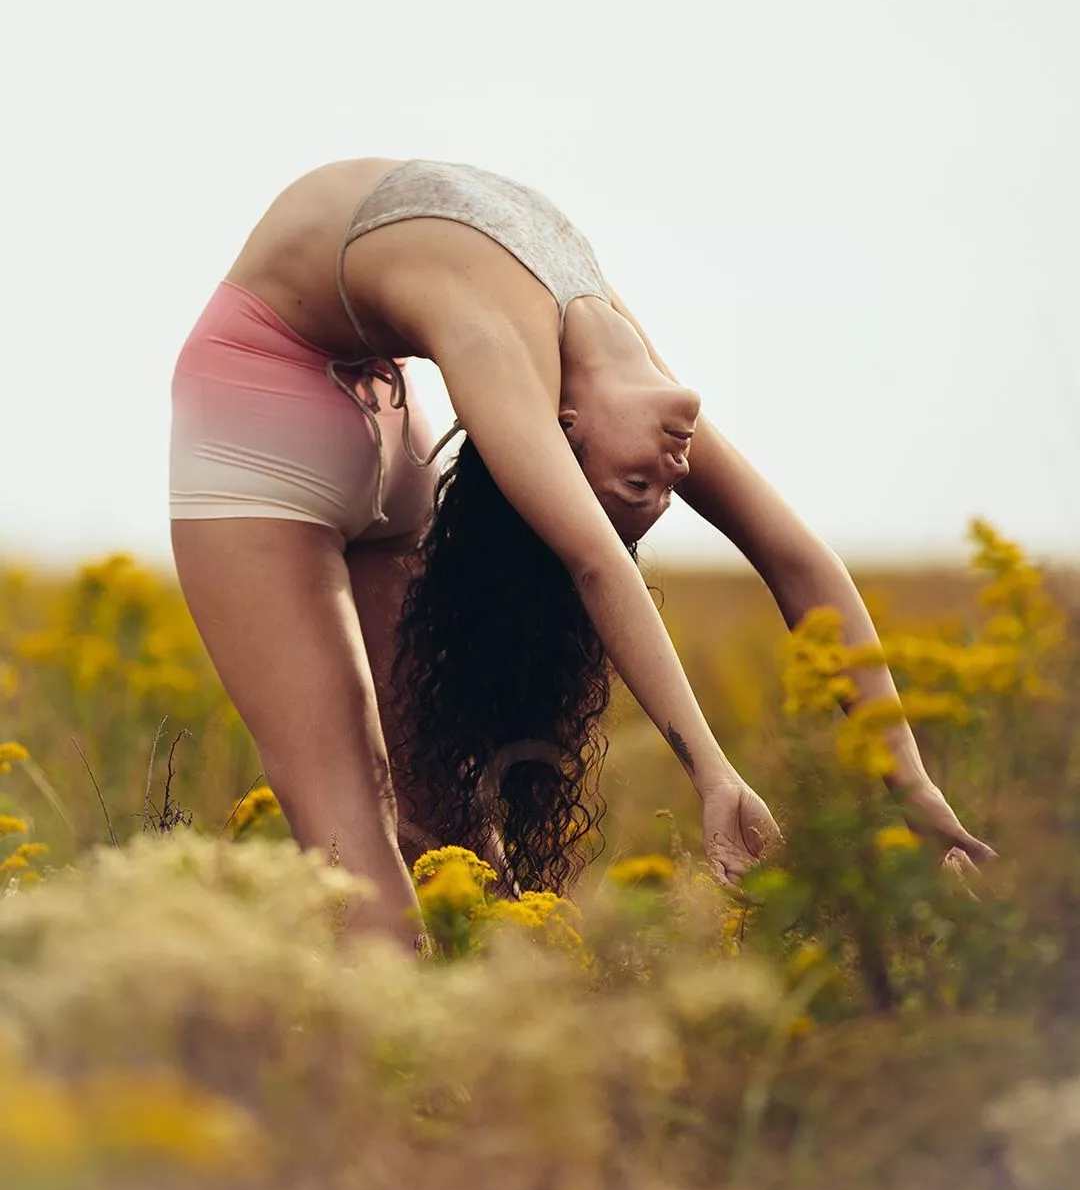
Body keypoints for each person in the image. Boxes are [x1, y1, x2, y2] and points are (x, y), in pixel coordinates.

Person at [169, 156, 994, 952]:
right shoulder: (538, 349)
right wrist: (714, 774)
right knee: (362, 850)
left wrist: (912, 784)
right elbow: (614, 562)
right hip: (294, 401)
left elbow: (791, 561)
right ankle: (391, 1040)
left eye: (641, 486)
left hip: (343, 404)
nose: (674, 476)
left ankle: (483, 1034)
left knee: (450, 852)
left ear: (564, 433)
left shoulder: (544, 359)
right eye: (644, 488)